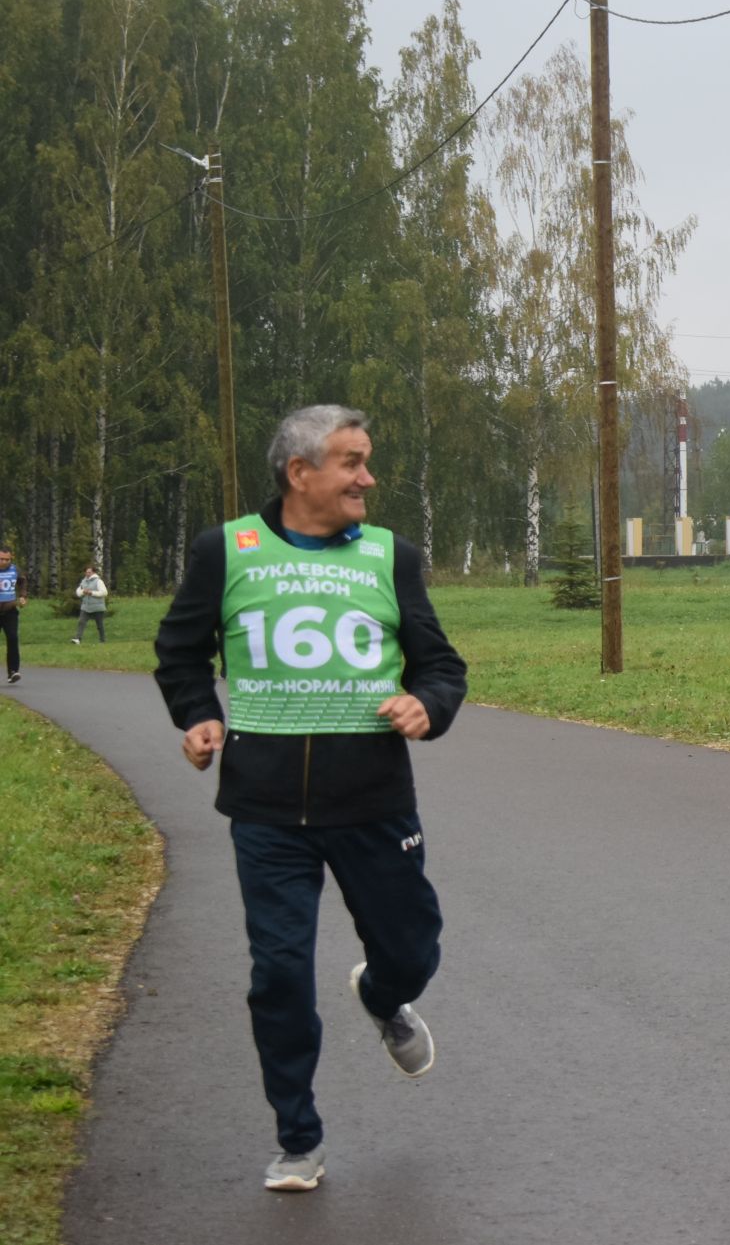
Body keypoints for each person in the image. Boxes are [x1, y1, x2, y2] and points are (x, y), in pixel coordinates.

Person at [154, 405, 467, 1192]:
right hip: (265, 812)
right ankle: (299, 1137)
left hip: (373, 801)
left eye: (367, 460)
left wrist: (427, 704)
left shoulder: (392, 556)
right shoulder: (226, 550)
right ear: (301, 473)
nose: (369, 477)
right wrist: (198, 715)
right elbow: (179, 651)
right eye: (352, 462)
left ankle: (382, 993)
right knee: (279, 973)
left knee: (411, 950)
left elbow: (441, 664)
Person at [0, 545, 22, 683]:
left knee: (13, 639)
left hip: (10, 611)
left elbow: (23, 582)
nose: (4, 562)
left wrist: (23, 596)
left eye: (7, 559)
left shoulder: (15, 569)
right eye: (1, 559)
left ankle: (13, 671)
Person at [72, 564, 107, 643]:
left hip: (97, 607)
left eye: (89, 572)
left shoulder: (98, 581)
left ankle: (102, 640)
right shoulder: (83, 581)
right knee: (81, 622)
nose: (87, 574)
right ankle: (78, 638)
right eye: (86, 572)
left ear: (93, 572)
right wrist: (83, 592)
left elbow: (104, 593)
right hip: (86, 607)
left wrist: (92, 593)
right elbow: (78, 592)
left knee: (99, 625)